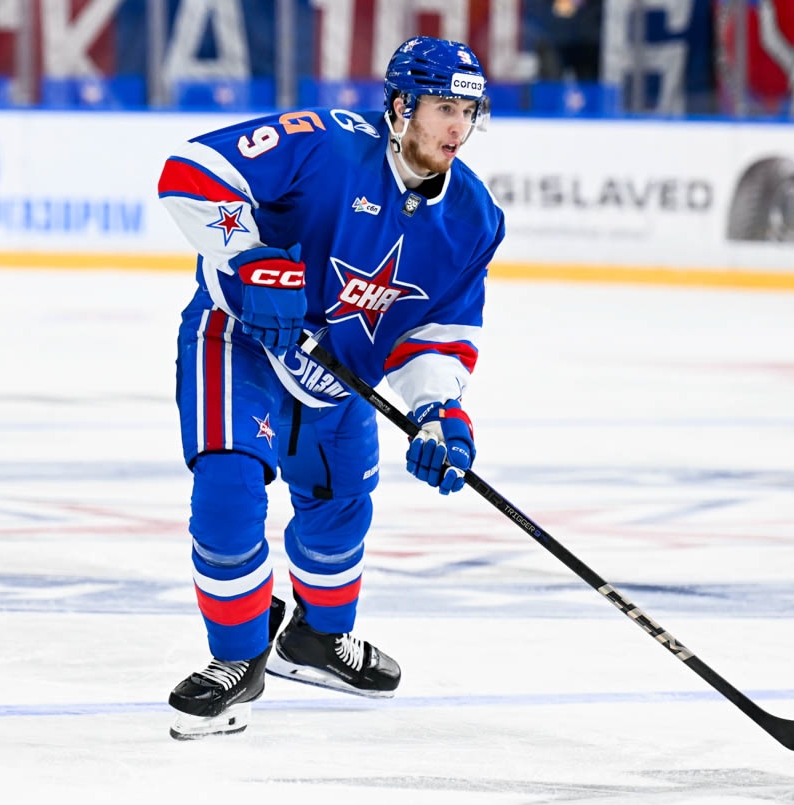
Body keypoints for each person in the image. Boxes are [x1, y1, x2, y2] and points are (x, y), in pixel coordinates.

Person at [156, 36, 505, 740]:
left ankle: (316, 639)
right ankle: (238, 656)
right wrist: (250, 259)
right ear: (401, 106)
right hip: (240, 338)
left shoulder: (473, 217)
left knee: (341, 507)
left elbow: (437, 330)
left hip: (341, 373)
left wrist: (438, 412)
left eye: (469, 113)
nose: (458, 128)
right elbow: (191, 172)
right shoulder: (325, 141)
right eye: (444, 108)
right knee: (228, 486)